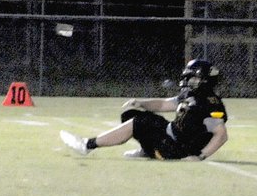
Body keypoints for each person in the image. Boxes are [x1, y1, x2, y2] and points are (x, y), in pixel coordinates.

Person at [59, 59, 229, 161]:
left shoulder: (209, 103)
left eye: (192, 77)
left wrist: (200, 156)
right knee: (131, 114)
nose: (188, 80)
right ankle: (147, 151)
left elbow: (221, 135)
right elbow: (163, 105)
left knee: (140, 122)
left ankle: (88, 145)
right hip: (173, 138)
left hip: (177, 148)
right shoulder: (191, 94)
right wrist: (141, 103)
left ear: (204, 80)